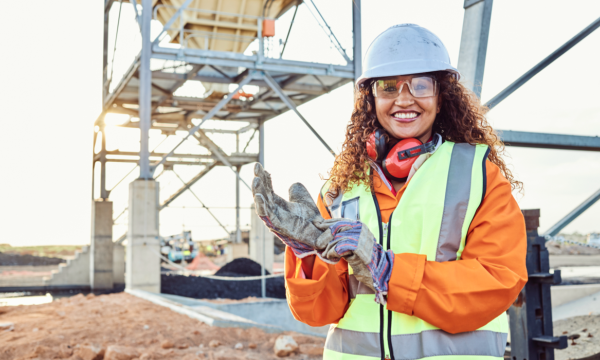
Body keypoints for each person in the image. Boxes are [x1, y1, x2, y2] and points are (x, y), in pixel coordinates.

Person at [252, 24, 527, 360]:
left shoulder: (477, 174)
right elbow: (319, 313)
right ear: (371, 98)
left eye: (421, 85)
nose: (404, 99)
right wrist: (307, 256)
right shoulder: (339, 189)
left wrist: (388, 271)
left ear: (441, 98)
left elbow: (498, 281)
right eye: (388, 86)